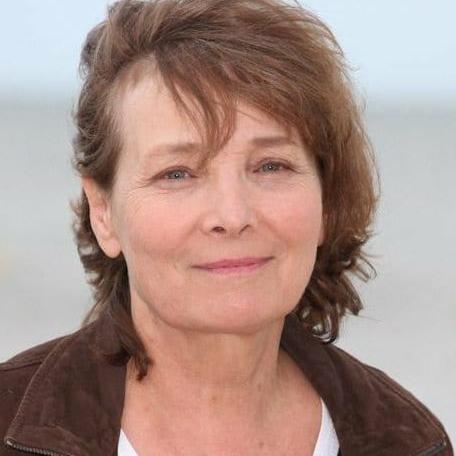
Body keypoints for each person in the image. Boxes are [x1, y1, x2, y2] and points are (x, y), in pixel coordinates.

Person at [0, 0, 453, 454]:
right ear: (103, 212)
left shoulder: (412, 442)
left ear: (326, 199)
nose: (232, 216)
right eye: (177, 173)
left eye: (271, 166)